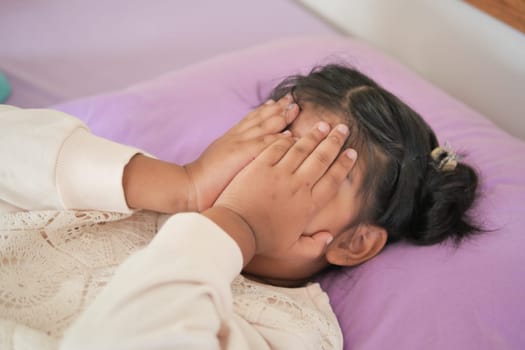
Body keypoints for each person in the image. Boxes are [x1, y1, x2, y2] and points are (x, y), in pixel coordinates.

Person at [0, 64, 480, 350]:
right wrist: (178, 184)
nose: (262, 170)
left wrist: (236, 226)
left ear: (354, 243)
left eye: (308, 166)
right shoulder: (147, 194)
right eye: (268, 138)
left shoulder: (290, 331)